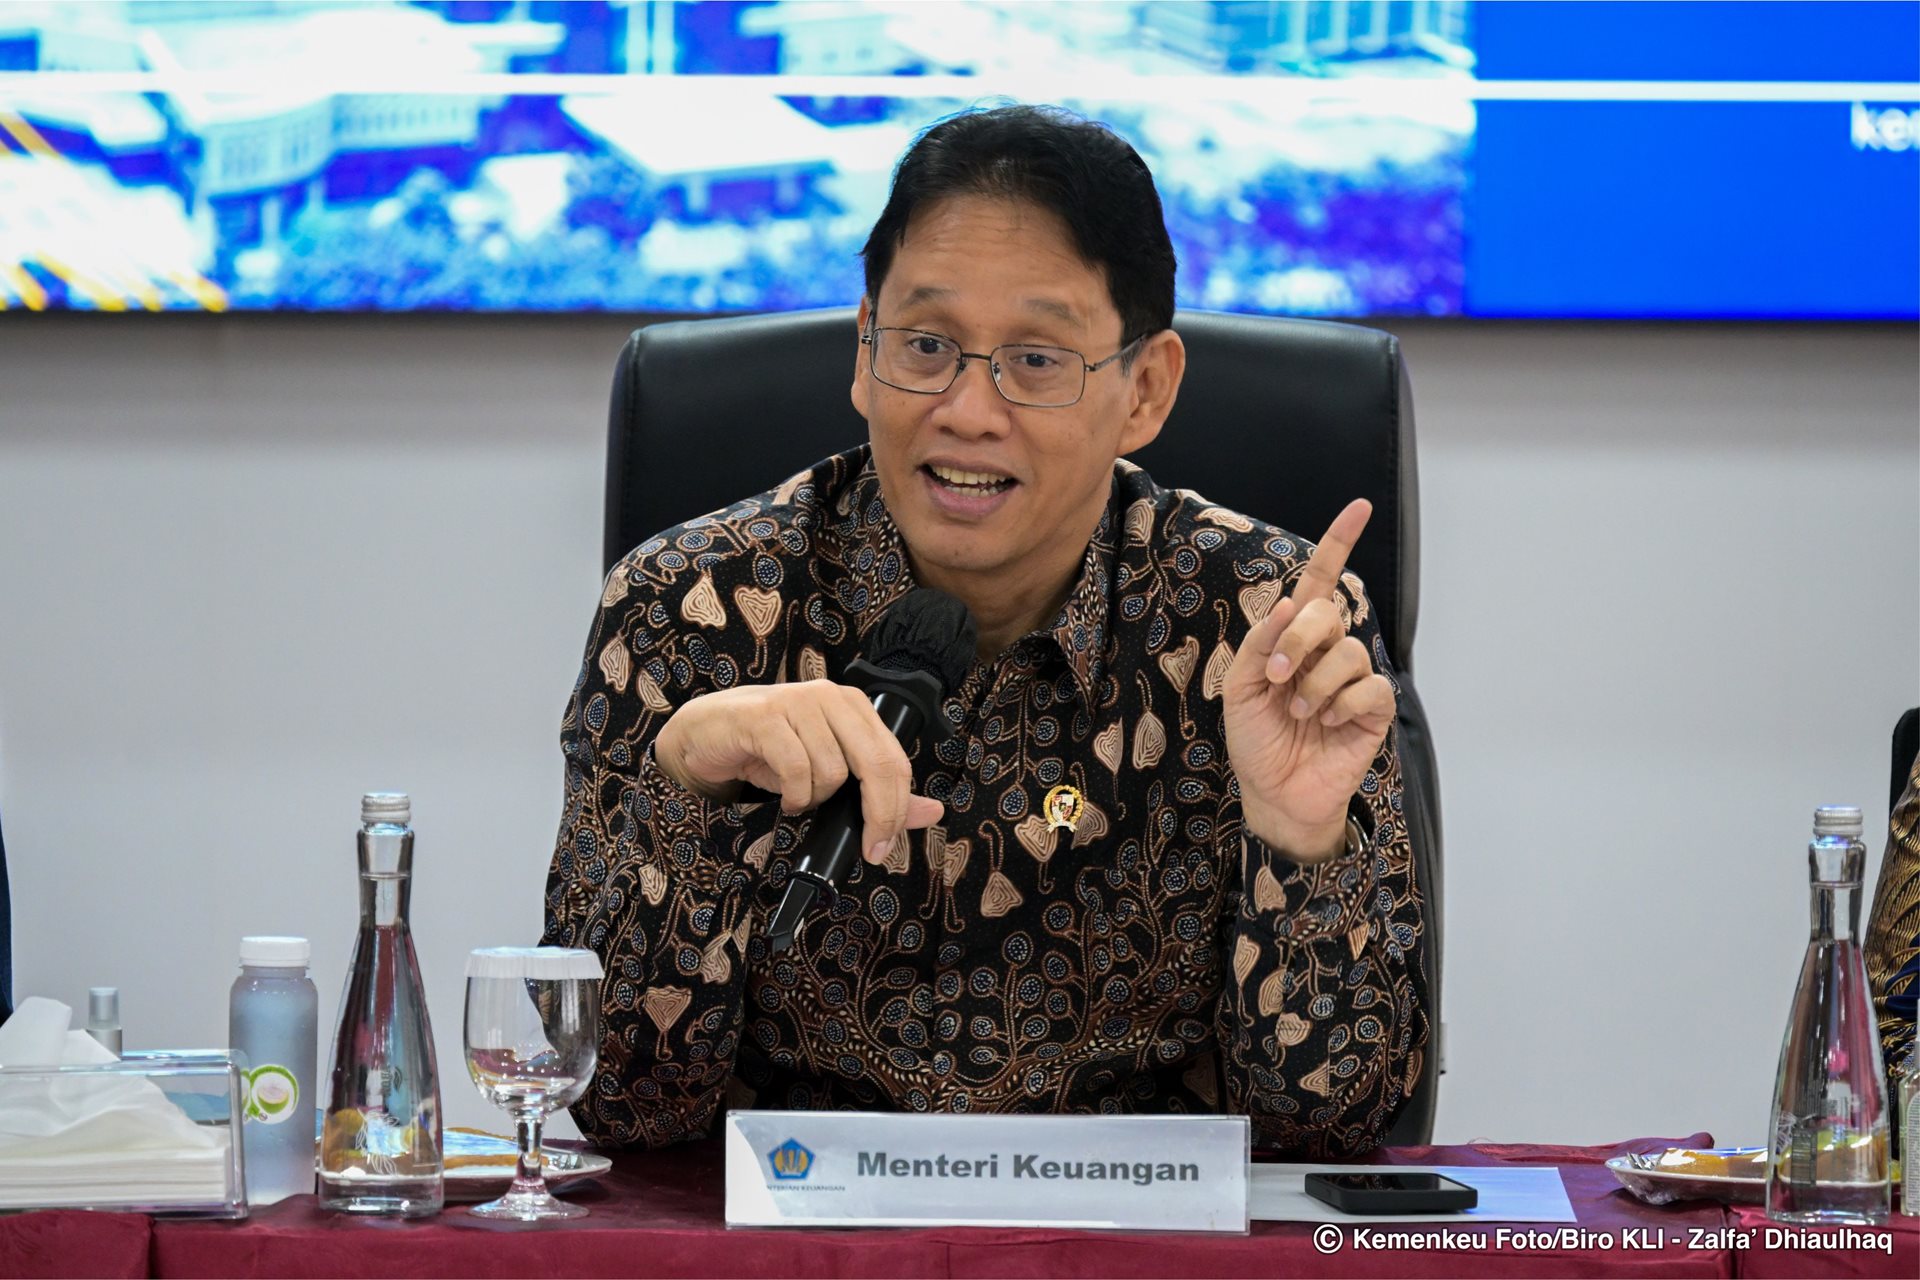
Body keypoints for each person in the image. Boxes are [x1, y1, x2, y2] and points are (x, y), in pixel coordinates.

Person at [542, 104, 1429, 1157]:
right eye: (926, 346)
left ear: (1146, 389)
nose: (968, 410)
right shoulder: (694, 607)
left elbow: (1331, 1126)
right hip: (793, 1223)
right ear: (863, 352)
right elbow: (617, 1108)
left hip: (1136, 1230)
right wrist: (686, 792)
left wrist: (1300, 841)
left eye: (1038, 359)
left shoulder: (1266, 625)